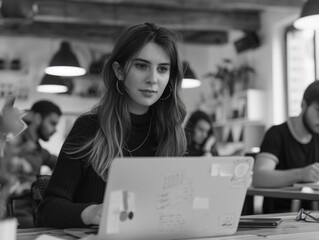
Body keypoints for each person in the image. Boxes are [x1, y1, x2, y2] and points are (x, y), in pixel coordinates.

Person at [37, 22, 187, 228]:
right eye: (141, 66)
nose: (153, 79)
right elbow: (48, 210)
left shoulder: (171, 132)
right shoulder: (89, 128)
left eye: (162, 69)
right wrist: (90, 213)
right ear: (119, 71)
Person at [253, 80, 319, 213]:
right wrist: (301, 174)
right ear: (303, 105)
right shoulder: (276, 134)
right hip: (281, 219)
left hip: (313, 218)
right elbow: (259, 177)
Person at [5, 100, 61, 227]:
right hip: (14, 215)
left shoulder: (39, 150)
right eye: (52, 123)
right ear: (38, 118)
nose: (55, 130)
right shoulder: (12, 145)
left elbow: (61, 163)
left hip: (34, 211)